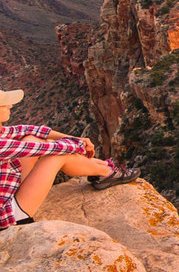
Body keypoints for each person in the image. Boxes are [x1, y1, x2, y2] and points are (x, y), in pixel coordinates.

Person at [0, 88, 138, 230]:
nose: (10, 106)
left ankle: (101, 169)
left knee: (32, 138)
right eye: (4, 105)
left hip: (9, 193)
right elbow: (51, 150)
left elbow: (28, 130)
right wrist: (79, 145)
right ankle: (106, 172)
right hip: (8, 215)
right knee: (56, 155)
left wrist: (75, 138)